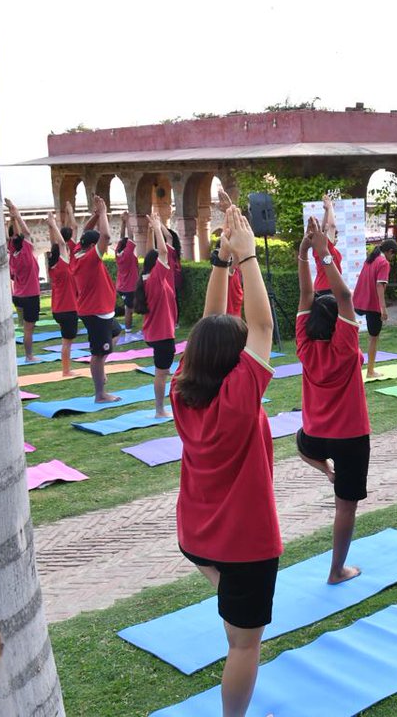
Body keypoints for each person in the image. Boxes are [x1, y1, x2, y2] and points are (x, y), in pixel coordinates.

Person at [171, 204, 278, 717]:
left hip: (196, 537)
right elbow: (261, 324)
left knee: (234, 611)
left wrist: (220, 261)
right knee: (244, 644)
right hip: (242, 545)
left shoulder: (183, 390)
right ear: (235, 362)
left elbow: (210, 326)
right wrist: (249, 255)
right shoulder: (239, 399)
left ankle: (230, 607)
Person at [295, 216, 369, 584]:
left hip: (315, 436)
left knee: (302, 444)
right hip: (351, 436)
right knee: (346, 506)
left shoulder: (304, 345)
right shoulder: (346, 344)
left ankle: (323, 467)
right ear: (339, 323)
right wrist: (324, 256)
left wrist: (303, 255)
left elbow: (309, 297)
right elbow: (343, 296)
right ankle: (337, 569)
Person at [71, 196, 121, 403]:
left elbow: (86, 232)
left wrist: (97, 215)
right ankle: (100, 394)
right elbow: (107, 236)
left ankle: (100, 370)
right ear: (93, 245)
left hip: (99, 310)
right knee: (98, 354)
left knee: (116, 334)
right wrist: (103, 213)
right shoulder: (90, 259)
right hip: (96, 311)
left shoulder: (77, 252)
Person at [135, 210, 178, 418]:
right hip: (162, 335)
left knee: (163, 372)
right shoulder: (156, 279)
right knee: (162, 374)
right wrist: (158, 227)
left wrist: (155, 227)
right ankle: (160, 410)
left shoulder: (146, 277)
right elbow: (162, 250)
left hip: (154, 333)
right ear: (157, 265)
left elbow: (155, 250)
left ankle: (162, 407)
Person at [353, 239, 397, 379]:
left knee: (368, 337)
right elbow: (379, 286)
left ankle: (367, 369)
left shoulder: (371, 260)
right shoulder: (383, 262)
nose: (392, 258)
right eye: (393, 255)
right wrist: (383, 308)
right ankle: (370, 371)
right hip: (372, 304)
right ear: (390, 252)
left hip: (360, 301)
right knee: (374, 338)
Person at [5, 199, 41, 361]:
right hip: (30, 296)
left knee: (23, 326)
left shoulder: (12, 255)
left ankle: (25, 354)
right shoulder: (26, 251)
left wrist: (12, 218)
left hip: (18, 296)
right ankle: (29, 356)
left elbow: (14, 237)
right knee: (28, 330)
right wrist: (16, 214)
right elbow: (24, 233)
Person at [44, 213, 78, 376]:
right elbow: (61, 243)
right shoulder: (64, 264)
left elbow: (56, 244)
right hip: (68, 308)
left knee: (66, 341)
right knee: (67, 342)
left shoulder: (53, 266)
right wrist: (53, 224)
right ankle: (66, 371)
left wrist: (51, 226)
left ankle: (66, 368)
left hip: (57, 309)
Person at [312, 193, 344, 296]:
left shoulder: (322, 247)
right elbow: (331, 226)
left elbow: (323, 229)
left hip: (326, 288)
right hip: (328, 290)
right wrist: (330, 207)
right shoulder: (325, 246)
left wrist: (326, 211)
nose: (336, 239)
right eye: (335, 236)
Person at [114, 212, 140, 332]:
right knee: (130, 309)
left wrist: (123, 223)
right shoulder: (128, 254)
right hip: (129, 287)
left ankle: (128, 328)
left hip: (121, 286)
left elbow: (122, 238)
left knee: (128, 307)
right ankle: (128, 330)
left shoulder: (118, 253)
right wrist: (128, 220)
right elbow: (131, 237)